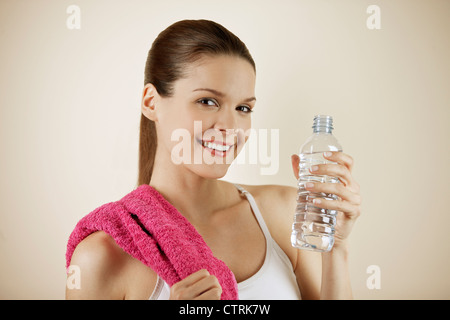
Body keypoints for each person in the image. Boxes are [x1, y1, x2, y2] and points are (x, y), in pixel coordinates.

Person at [66, 19, 361, 300]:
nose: (231, 126)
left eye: (244, 108)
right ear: (151, 102)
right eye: (207, 101)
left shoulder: (283, 215)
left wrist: (336, 248)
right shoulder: (101, 258)